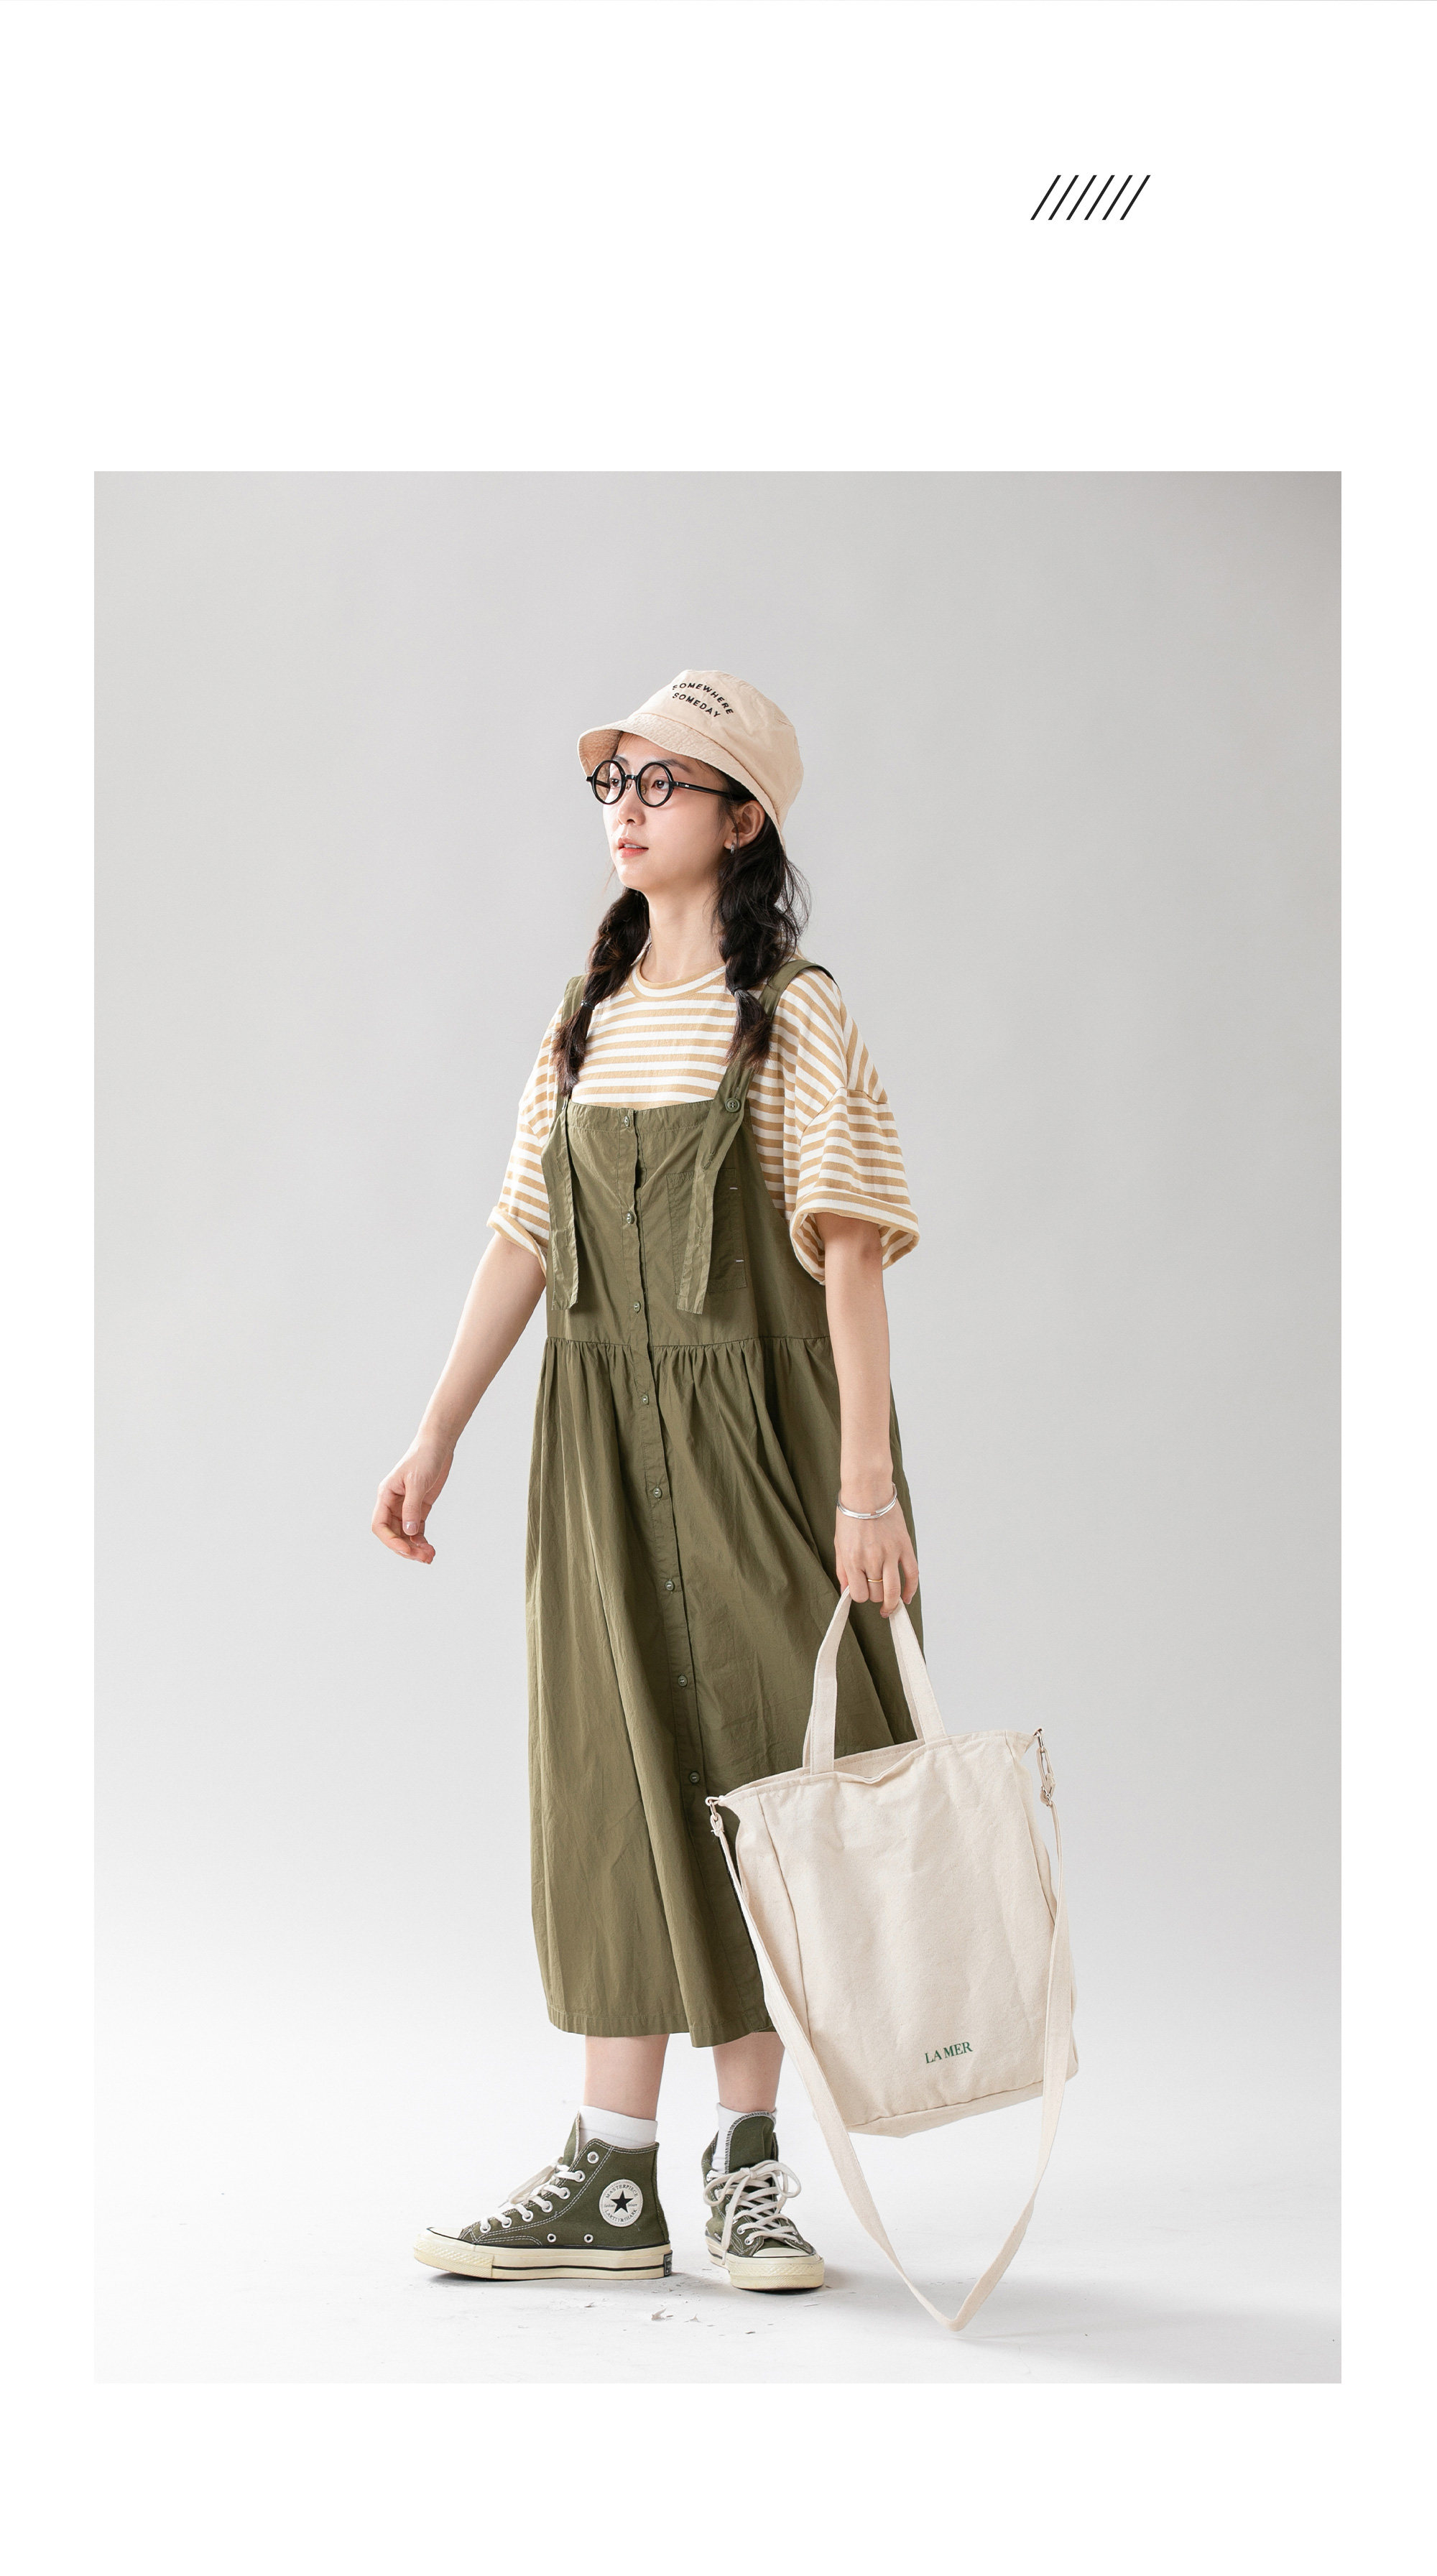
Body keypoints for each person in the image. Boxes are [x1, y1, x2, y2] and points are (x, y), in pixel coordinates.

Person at [374, 669, 923, 2292]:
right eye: (613, 779)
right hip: (600, 1451)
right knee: (609, 1770)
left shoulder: (794, 1014)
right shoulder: (586, 1019)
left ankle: (748, 2165)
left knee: (767, 1776)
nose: (625, 805)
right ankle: (612, 2174)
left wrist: (867, 1489)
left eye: (663, 780)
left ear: (743, 819)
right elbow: (523, 1236)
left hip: (765, 1449)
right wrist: (437, 1428)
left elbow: (848, 1252)